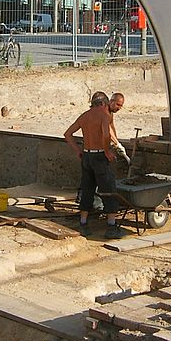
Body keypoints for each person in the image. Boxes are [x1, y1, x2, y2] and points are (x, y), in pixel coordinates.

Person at [64, 92, 126, 238]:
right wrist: (106, 151)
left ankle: (83, 223)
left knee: (87, 190)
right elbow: (106, 135)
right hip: (99, 156)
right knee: (109, 189)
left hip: (86, 156)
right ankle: (111, 227)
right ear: (104, 103)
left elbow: (67, 134)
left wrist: (78, 151)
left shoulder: (84, 116)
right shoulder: (104, 116)